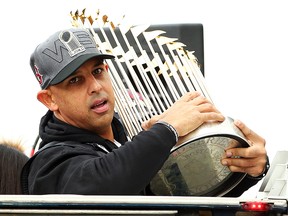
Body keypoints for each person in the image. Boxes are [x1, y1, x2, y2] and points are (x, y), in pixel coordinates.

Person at [21, 28, 269, 196]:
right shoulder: (48, 163)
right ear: (49, 99)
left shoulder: (123, 148)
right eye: (75, 81)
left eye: (98, 71)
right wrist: (167, 130)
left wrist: (247, 167)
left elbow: (182, 197)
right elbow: (102, 183)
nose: (95, 87)